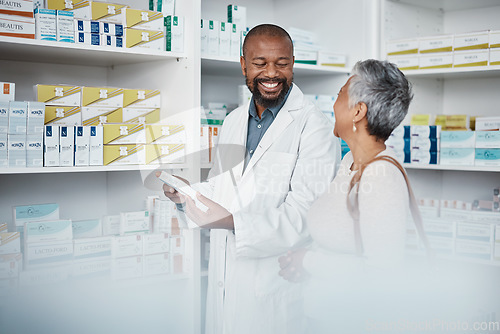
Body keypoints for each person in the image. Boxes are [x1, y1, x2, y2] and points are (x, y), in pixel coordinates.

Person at [159, 24, 340, 334]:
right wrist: (187, 194)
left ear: (292, 63)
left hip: (273, 288)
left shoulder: (314, 126)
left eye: (281, 63)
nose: (271, 73)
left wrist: (232, 221)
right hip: (225, 278)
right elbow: (223, 185)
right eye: (259, 63)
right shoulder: (232, 121)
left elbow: (306, 216)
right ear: (243, 64)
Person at [278, 59, 415, 333]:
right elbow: (343, 243)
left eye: (340, 94)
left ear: (358, 111)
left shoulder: (380, 176)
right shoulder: (349, 163)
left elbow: (383, 274)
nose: (334, 102)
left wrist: (308, 261)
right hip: (324, 317)